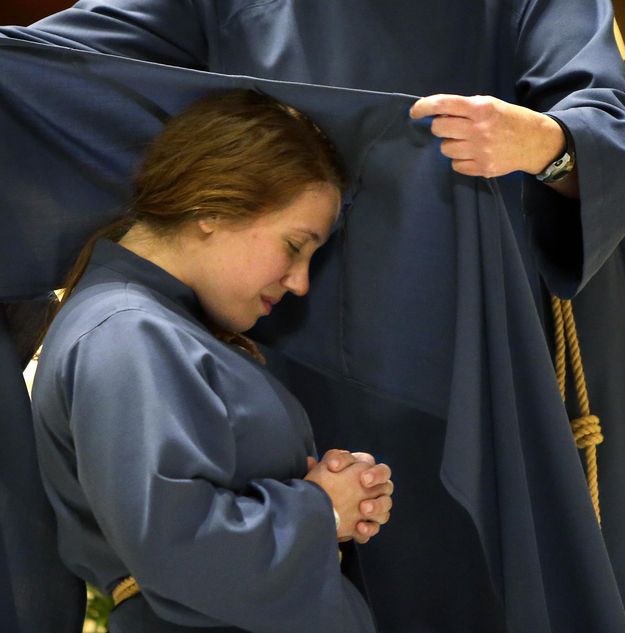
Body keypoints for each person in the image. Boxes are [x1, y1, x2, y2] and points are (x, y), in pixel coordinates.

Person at [0, 3, 625, 633]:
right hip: (303, 353)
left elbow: (611, 115)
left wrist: (548, 142)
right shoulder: (131, 336)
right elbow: (79, 50)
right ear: (209, 208)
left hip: (493, 329)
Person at [29, 89, 391, 632]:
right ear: (213, 208)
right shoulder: (127, 331)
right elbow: (179, 548)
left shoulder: (151, 327)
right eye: (295, 246)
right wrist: (322, 509)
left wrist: (337, 496)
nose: (300, 282)